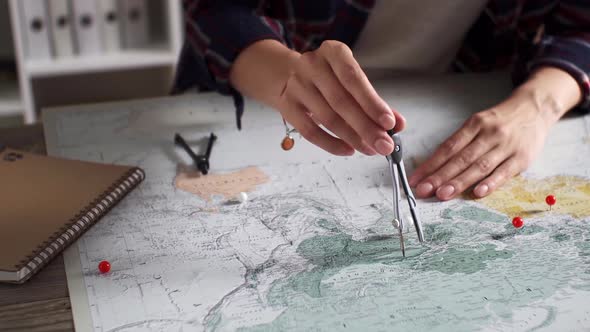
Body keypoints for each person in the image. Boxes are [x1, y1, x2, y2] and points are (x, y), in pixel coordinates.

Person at [174, 0, 590, 201]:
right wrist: (285, 75)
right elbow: (215, 10)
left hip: (459, 95)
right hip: (243, 102)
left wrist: (538, 105)